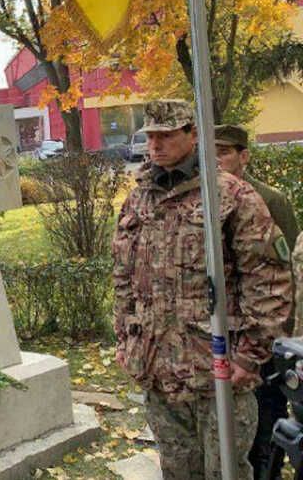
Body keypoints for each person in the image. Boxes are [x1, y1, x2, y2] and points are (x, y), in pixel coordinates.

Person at [112, 99, 292, 480]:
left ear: (193, 135)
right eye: (151, 137)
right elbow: (124, 276)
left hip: (218, 372)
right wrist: (126, 339)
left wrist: (250, 356)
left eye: (166, 136)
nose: (155, 145)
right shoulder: (139, 197)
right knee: (177, 470)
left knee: (226, 470)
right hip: (158, 369)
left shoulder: (230, 195)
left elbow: (269, 278)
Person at [213, 124, 300, 479]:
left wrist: (277, 334)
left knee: (266, 418)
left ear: (243, 156)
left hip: (260, 333)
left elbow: (287, 271)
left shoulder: (269, 200)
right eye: (210, 152)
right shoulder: (203, 199)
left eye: (224, 152)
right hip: (219, 333)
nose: (216, 160)